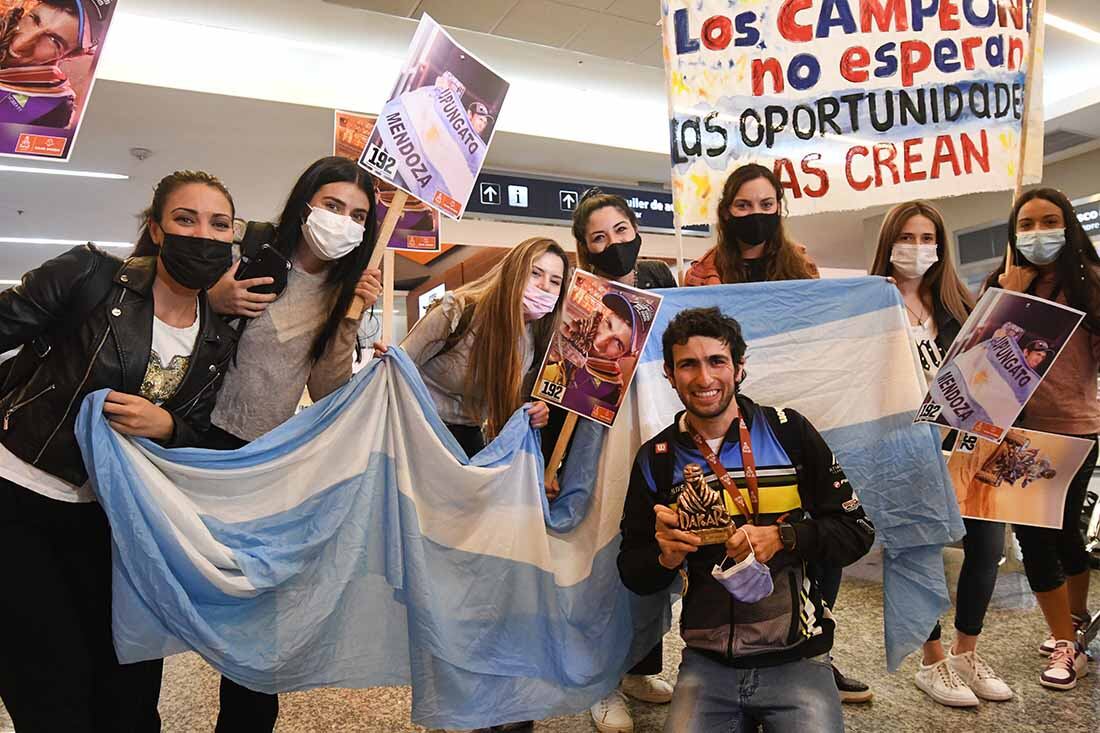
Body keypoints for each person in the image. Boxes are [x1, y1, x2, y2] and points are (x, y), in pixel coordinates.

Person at [0, 169, 238, 731]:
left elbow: (197, 433)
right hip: (19, 495)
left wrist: (167, 426)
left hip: (112, 516)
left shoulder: (215, 336)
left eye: (218, 224)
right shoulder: (89, 275)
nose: (202, 235)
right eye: (186, 219)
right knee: (50, 684)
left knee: (126, 686)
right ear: (156, 230)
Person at [618, 307, 875, 732]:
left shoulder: (788, 432)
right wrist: (664, 558)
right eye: (688, 365)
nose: (704, 379)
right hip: (706, 663)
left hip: (798, 658)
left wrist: (784, 536)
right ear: (669, 373)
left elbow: (857, 533)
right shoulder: (657, 459)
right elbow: (633, 572)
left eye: (717, 362)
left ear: (740, 368)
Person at [201, 156, 382, 731]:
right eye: (332, 206)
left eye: (357, 214)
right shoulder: (244, 257)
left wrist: (351, 316)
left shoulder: (340, 293)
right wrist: (215, 300)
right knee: (166, 582)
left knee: (260, 617)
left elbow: (327, 388)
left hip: (261, 464)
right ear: (305, 202)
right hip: (191, 443)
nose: (343, 220)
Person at [870, 201, 1014, 707]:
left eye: (927, 237)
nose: (917, 247)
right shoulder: (871, 304)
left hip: (964, 445)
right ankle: (931, 661)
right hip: (903, 446)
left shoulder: (961, 306)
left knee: (987, 542)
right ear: (888, 243)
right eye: (906, 236)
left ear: (941, 245)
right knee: (917, 547)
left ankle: (965, 652)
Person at [557, 189, 676, 732]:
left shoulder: (662, 284)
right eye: (598, 238)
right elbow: (565, 387)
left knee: (660, 547)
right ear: (584, 249)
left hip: (660, 440)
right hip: (598, 444)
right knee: (602, 553)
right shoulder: (578, 303)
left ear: (637, 232)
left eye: (621, 231)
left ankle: (639, 666)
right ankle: (598, 681)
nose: (613, 245)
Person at [982, 187, 1100, 690]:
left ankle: (1067, 642)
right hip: (1017, 430)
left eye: (1048, 220)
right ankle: (1070, 629)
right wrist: (1009, 294)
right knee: (1045, 533)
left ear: (1068, 225)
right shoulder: (1003, 283)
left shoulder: (1091, 285)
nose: (1037, 233)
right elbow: (980, 359)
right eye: (1025, 225)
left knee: (1048, 533)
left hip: (1074, 428)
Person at [400, 236, 567, 458]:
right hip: (413, 430)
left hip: (467, 439)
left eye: (555, 281)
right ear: (514, 272)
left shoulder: (535, 340)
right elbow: (398, 368)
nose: (545, 286)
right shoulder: (459, 312)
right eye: (535, 273)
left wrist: (534, 412)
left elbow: (513, 402)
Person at [683, 163, 818, 286]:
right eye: (743, 205)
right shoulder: (700, 275)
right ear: (726, 212)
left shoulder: (803, 267)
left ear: (778, 208)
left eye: (766, 205)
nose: (756, 213)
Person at [0, 0, 108, 127]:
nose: (20, 44)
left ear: (72, 54)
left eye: (54, 41)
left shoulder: (54, 109)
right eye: (34, 19)